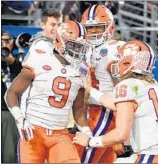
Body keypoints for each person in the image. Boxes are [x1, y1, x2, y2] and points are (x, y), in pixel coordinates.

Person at [5, 8, 92, 162]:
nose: (77, 51)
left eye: (80, 47)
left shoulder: (81, 70)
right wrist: (20, 119)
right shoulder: (40, 58)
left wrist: (87, 132)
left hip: (61, 134)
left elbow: (78, 109)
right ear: (59, 41)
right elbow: (11, 93)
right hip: (34, 131)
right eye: (73, 45)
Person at [73, 40, 158, 163]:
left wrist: (89, 142)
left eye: (120, 58)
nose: (117, 63)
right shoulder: (153, 85)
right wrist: (91, 90)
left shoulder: (127, 85)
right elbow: (116, 104)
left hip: (149, 156)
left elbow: (121, 134)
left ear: (129, 61)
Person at [75, 4, 126, 163]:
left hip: (105, 112)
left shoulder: (114, 48)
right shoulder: (84, 48)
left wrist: (121, 125)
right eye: (89, 29)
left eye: (97, 28)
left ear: (110, 27)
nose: (93, 33)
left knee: (82, 157)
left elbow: (123, 89)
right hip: (90, 110)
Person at [1, 30, 22, 163]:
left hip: (9, 113)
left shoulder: (19, 61)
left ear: (12, 43)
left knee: (9, 155)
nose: (3, 45)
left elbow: (26, 76)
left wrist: (12, 61)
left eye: (6, 41)